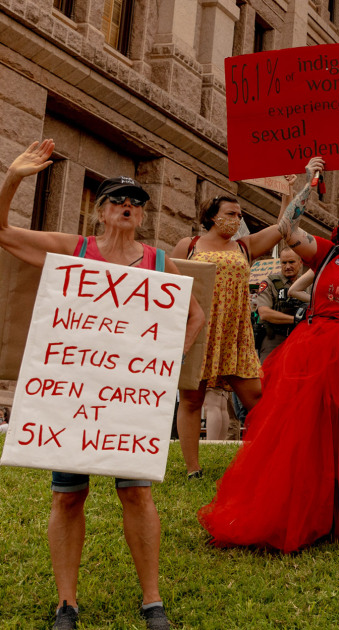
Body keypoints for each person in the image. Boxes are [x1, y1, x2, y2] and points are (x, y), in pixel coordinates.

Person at [0, 140, 205, 630]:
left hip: (129, 402)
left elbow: (193, 315)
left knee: (137, 494)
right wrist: (13, 178)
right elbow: (1, 232)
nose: (128, 207)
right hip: (72, 400)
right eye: (118, 200)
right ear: (100, 211)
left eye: (136, 201)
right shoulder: (76, 251)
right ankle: (66, 604)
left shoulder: (159, 263)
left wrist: (160, 360)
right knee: (67, 496)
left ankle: (152, 602)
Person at [198, 160, 339, 552]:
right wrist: (306, 184)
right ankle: (297, 510)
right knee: (305, 435)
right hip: (316, 352)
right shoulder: (328, 254)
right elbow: (288, 228)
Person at [170, 164, 311, 479]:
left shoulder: (245, 246)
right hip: (200, 333)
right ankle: (193, 469)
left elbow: (286, 225)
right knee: (192, 399)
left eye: (240, 215)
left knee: (258, 400)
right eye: (231, 214)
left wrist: (294, 191)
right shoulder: (187, 246)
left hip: (236, 334)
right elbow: (170, 290)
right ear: (211, 216)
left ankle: (267, 460)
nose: (238, 220)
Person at [252, 247, 306, 361]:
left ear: (300, 262)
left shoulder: (309, 283)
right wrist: (296, 319)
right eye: (284, 262)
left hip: (301, 337)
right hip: (274, 337)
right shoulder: (269, 283)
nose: (287, 266)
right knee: (267, 373)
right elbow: (264, 313)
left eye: (291, 262)